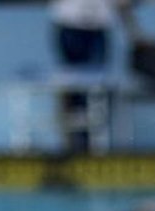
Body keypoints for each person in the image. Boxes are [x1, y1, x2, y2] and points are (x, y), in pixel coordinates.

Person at [50, 0, 144, 151]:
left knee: (98, 89)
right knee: (71, 89)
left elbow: (123, 5)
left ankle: (98, 142)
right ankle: (71, 143)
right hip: (70, 27)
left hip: (98, 29)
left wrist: (135, 33)